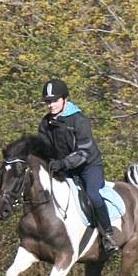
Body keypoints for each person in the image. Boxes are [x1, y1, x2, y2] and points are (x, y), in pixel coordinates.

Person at [38, 77, 119, 257]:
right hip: (63, 168)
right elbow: (43, 148)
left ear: (65, 99)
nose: (51, 105)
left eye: (54, 101)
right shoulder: (45, 123)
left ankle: (108, 235)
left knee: (93, 195)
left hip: (88, 166)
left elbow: (83, 152)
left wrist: (62, 163)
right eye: (48, 102)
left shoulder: (79, 120)